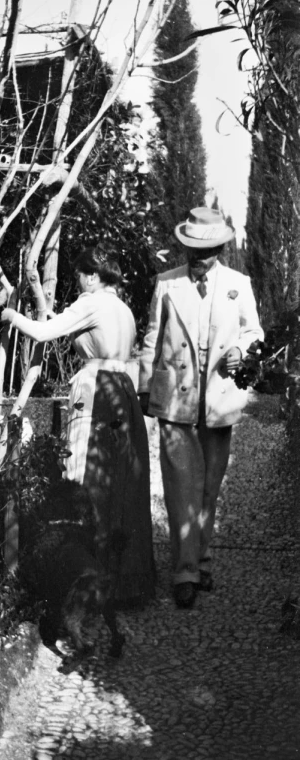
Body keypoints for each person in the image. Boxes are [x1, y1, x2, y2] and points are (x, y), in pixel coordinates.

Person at [1, 245, 156, 608]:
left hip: (96, 391)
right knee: (122, 485)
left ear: (90, 275)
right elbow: (70, 328)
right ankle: (124, 584)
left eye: (79, 277)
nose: (78, 284)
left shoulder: (91, 302)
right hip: (123, 391)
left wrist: (11, 315)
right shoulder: (123, 309)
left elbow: (42, 333)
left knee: (84, 481)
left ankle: (82, 581)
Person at [138, 207, 263, 608]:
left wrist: (241, 351)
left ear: (221, 248)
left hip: (218, 396)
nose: (198, 257)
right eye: (192, 249)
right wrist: (145, 387)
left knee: (210, 486)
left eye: (207, 250)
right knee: (179, 488)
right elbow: (151, 338)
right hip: (176, 396)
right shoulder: (166, 284)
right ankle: (184, 571)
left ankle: (202, 561)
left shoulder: (238, 284)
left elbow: (252, 330)